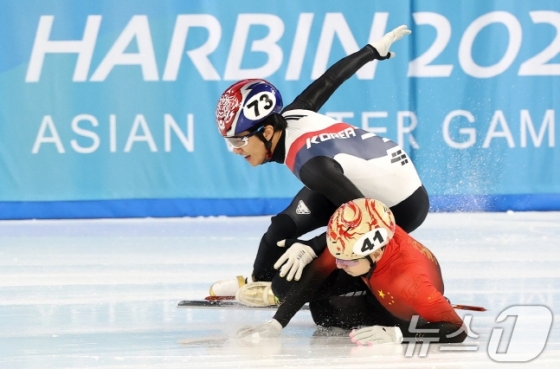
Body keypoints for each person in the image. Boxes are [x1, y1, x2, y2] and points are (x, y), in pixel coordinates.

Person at [210, 25, 429, 303]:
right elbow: (330, 80)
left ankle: (354, 284)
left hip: (401, 206)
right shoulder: (293, 114)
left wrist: (311, 247)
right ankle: (259, 281)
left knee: (308, 274)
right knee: (280, 230)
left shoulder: (312, 166)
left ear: (266, 132)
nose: (235, 150)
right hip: (356, 184)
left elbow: (367, 220)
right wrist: (371, 52)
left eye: (239, 141)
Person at [236, 198, 467, 345]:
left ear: (374, 253)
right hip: (373, 277)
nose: (338, 264)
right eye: (338, 257)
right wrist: (277, 323)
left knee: (328, 316)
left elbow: (458, 331)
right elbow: (317, 273)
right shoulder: (357, 239)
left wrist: (399, 335)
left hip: (399, 304)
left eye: (346, 261)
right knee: (309, 297)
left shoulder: (411, 284)